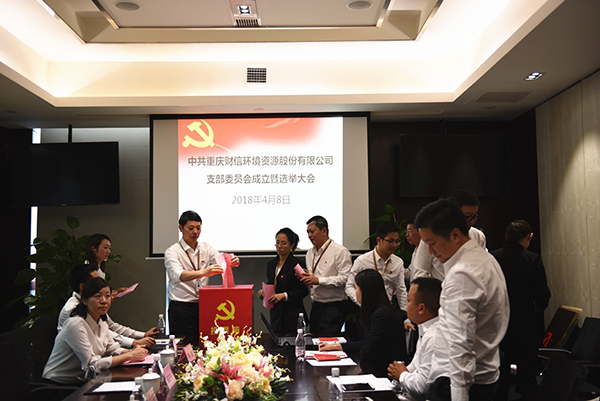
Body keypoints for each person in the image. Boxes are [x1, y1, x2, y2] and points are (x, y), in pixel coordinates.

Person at [415, 198, 509, 401]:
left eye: (432, 243)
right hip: (484, 374)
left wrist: (459, 395)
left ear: (455, 235)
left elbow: (460, 345)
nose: (430, 252)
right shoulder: (485, 259)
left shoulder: (463, 274)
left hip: (458, 383)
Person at [43, 277, 148, 384]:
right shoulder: (76, 325)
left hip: (82, 381)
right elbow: (92, 365)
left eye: (107, 296)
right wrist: (130, 355)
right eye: (98, 296)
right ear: (84, 300)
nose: (104, 301)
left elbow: (112, 348)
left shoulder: (101, 323)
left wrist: (133, 351)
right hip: (58, 385)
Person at [491, 220, 551, 401]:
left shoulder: (493, 258)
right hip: (525, 322)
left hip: (499, 323)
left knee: (500, 371)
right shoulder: (533, 259)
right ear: (529, 237)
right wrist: (536, 312)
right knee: (527, 372)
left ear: (506, 236)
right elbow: (542, 295)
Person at [164, 210, 240, 343]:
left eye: (198, 228)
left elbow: (220, 259)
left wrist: (231, 260)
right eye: (191, 228)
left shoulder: (205, 248)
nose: (195, 232)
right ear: (181, 228)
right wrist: (204, 272)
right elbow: (179, 275)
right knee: (185, 347)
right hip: (182, 307)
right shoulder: (172, 252)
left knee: (206, 343)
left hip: (204, 306)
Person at [319, 269, 407, 377]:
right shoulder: (376, 311)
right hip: (375, 366)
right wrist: (338, 346)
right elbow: (366, 342)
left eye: (356, 289)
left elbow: (368, 351)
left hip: (383, 371)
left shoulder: (381, 315)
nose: (355, 293)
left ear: (366, 292)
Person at [58, 264, 158, 348]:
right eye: (95, 281)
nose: (100, 284)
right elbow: (91, 360)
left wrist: (142, 335)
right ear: (83, 287)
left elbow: (110, 326)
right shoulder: (71, 310)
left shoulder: (93, 305)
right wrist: (134, 343)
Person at [388, 277, 442, 401]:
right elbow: (415, 366)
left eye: (408, 301)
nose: (406, 306)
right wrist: (401, 371)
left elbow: (422, 387)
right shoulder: (425, 329)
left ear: (421, 308)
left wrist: (401, 374)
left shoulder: (435, 336)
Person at [413, 190, 486, 281]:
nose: (472, 221)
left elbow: (481, 266)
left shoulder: (478, 236)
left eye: (475, 216)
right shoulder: (433, 237)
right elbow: (420, 271)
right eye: (467, 216)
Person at [301, 215, 352, 334]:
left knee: (328, 341)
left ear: (324, 231)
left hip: (334, 307)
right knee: (314, 340)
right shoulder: (310, 253)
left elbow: (345, 278)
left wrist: (318, 280)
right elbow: (314, 277)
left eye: (312, 231)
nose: (309, 235)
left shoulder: (340, 251)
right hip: (316, 306)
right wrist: (305, 277)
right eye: (308, 232)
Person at [346, 221, 407, 311]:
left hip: (387, 309)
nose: (394, 245)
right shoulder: (362, 261)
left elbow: (401, 290)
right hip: (365, 310)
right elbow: (349, 286)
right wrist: (362, 303)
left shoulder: (398, 262)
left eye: (397, 241)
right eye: (390, 241)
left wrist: (405, 314)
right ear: (379, 240)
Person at [257, 228, 309, 332]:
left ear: (292, 245)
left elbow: (303, 290)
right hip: (276, 314)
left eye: (283, 243)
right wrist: (263, 293)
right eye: (277, 242)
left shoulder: (297, 264)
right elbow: (272, 285)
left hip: (292, 315)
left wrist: (284, 295)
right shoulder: (271, 264)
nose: (279, 246)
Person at [405, 216, 422, 283]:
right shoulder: (415, 250)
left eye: (410, 231)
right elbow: (411, 274)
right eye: (407, 231)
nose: (407, 235)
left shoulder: (429, 250)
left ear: (420, 231)